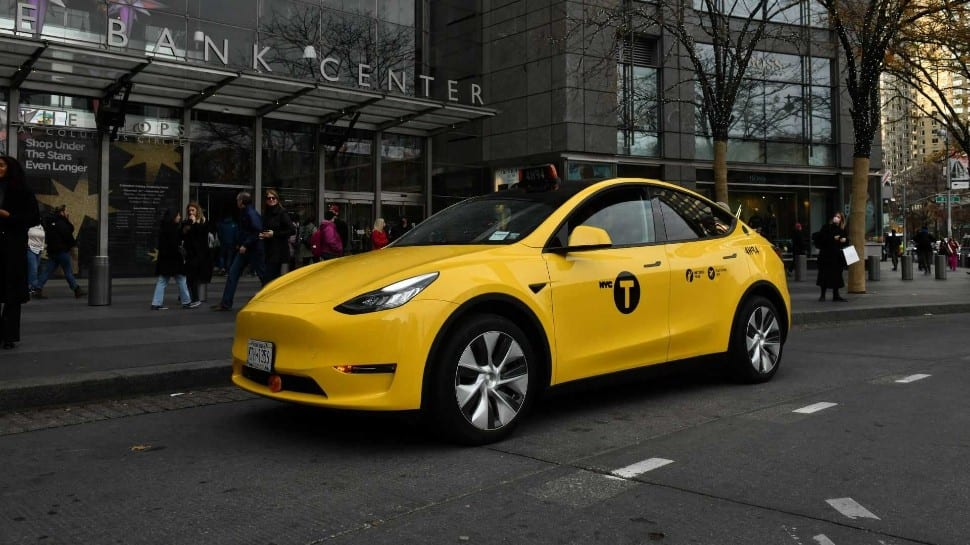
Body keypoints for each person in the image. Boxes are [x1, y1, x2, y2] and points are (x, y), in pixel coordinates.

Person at [0, 155, 41, 349]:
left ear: (10, 168)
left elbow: (33, 218)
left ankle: (8, 336)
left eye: (1, 166)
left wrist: (9, 216)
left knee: (11, 293)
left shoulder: (22, 191)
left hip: (12, 246)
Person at [213, 191, 264, 311]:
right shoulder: (246, 212)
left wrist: (245, 244)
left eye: (237, 200)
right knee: (233, 273)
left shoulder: (251, 213)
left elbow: (257, 231)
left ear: (241, 201)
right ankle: (226, 303)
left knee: (263, 276)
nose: (236, 202)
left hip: (253, 250)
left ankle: (271, 299)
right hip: (246, 249)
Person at [34, 204, 85, 299]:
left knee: (47, 271)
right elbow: (68, 236)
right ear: (62, 212)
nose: (68, 213)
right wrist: (72, 245)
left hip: (53, 251)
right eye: (66, 211)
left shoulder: (50, 222)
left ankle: (38, 289)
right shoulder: (62, 223)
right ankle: (76, 289)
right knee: (68, 271)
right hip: (62, 251)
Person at [151, 209, 198, 310]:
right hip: (173, 259)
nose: (179, 217)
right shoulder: (173, 229)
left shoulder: (165, 227)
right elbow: (177, 239)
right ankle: (186, 302)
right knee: (181, 279)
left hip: (165, 260)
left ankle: (156, 303)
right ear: (173, 217)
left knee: (163, 280)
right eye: (178, 216)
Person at [260, 189, 294, 283]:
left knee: (271, 279)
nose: (271, 200)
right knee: (270, 279)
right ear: (266, 200)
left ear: (277, 199)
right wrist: (262, 234)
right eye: (268, 198)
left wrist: (274, 234)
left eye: (273, 198)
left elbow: (292, 230)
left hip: (279, 252)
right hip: (268, 250)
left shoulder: (282, 212)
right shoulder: (266, 214)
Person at [181, 202, 212, 305]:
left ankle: (196, 298)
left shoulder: (203, 221)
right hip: (190, 253)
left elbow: (202, 234)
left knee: (195, 275)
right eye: (189, 211)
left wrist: (195, 223)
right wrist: (188, 226)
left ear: (197, 211)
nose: (191, 212)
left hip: (201, 253)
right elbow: (184, 235)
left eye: (193, 210)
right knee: (190, 275)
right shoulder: (187, 222)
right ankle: (191, 296)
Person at [815, 211, 849, 302]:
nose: (836, 218)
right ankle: (822, 295)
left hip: (837, 256)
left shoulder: (842, 229)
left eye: (838, 217)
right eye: (835, 216)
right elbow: (821, 238)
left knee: (837, 275)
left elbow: (846, 240)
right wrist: (833, 238)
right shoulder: (826, 227)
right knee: (824, 275)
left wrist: (844, 240)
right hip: (826, 255)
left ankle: (836, 295)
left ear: (841, 219)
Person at [26, 223, 45, 298]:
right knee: (33, 270)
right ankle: (33, 289)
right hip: (30, 249)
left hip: (39, 250)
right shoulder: (27, 224)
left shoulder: (40, 226)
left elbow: (43, 238)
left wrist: (42, 247)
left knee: (34, 269)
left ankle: (30, 288)